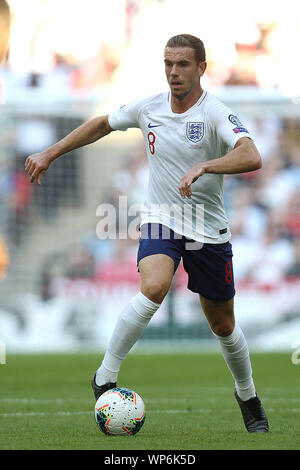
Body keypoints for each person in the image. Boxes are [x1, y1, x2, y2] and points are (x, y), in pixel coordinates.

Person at [25, 34, 268, 433]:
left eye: (183, 64)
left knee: (223, 325)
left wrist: (207, 166)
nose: (174, 72)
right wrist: (50, 152)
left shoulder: (215, 113)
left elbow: (251, 154)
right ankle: (104, 376)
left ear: (202, 68)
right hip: (162, 217)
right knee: (154, 287)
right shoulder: (148, 107)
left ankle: (247, 394)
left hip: (208, 228)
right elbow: (102, 124)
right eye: (169, 63)